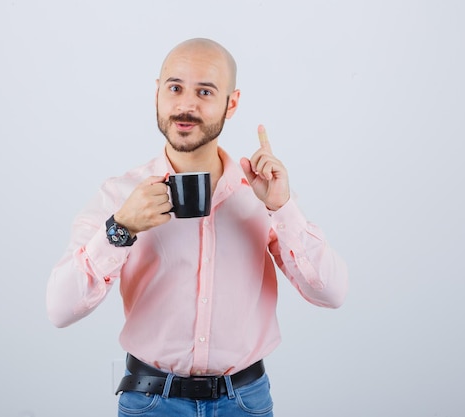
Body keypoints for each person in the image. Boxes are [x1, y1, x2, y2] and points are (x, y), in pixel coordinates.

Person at [47, 38, 348, 417]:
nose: (186, 105)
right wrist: (121, 228)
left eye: (204, 91)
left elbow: (332, 293)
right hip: (149, 402)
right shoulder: (120, 195)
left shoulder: (263, 195)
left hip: (246, 402)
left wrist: (281, 207)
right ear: (157, 93)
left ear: (231, 103)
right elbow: (60, 309)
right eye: (175, 88)